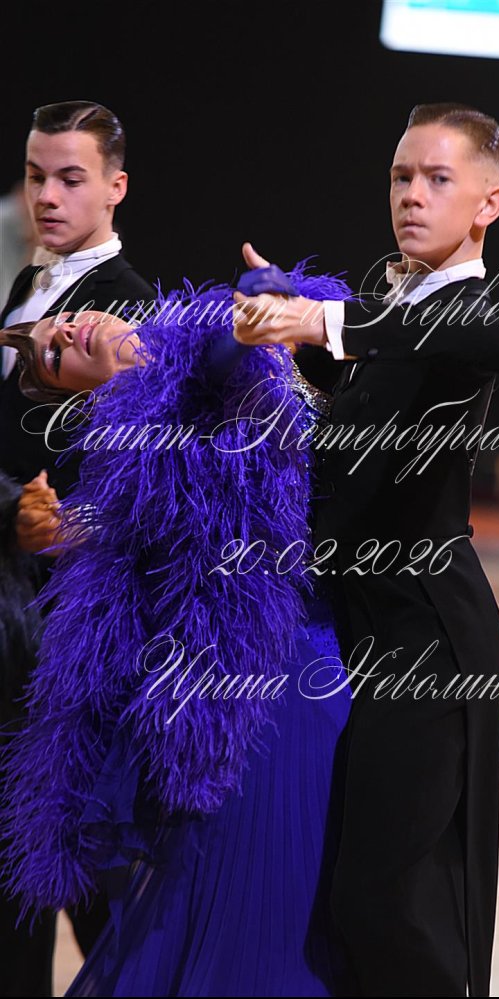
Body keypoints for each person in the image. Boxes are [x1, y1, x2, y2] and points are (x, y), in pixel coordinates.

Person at [0, 263, 358, 997]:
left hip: (311, 655)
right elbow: (208, 363)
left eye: (60, 323)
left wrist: (259, 301)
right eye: (55, 356)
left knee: (290, 908)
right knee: (237, 917)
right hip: (251, 686)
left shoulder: (189, 345)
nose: (67, 333)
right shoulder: (132, 436)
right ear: (75, 391)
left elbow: (221, 349)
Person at [232, 102, 499, 997]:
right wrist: (283, 311)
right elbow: (366, 395)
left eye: (438, 179)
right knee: (353, 897)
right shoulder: (397, 310)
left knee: (391, 901)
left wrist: (318, 321)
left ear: (489, 203)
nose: (412, 195)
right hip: (363, 627)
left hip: (428, 636)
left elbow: (493, 340)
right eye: (401, 176)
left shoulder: (468, 313)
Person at [0, 100, 155, 991]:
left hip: (66, 622)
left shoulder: (127, 309)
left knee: (81, 872)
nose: (48, 196)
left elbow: (137, 468)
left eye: (70, 178)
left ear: (116, 186)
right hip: (15, 601)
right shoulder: (30, 282)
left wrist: (72, 526)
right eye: (35, 176)